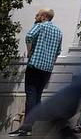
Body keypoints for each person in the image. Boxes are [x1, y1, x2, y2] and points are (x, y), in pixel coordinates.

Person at [9, 9, 62, 137]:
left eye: (37, 14)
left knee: (31, 96)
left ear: (44, 16)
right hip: (47, 69)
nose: (35, 16)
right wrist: (50, 64)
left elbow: (29, 36)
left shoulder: (40, 26)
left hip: (35, 65)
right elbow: (58, 52)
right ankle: (37, 125)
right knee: (38, 96)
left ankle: (26, 127)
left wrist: (30, 52)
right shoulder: (58, 31)